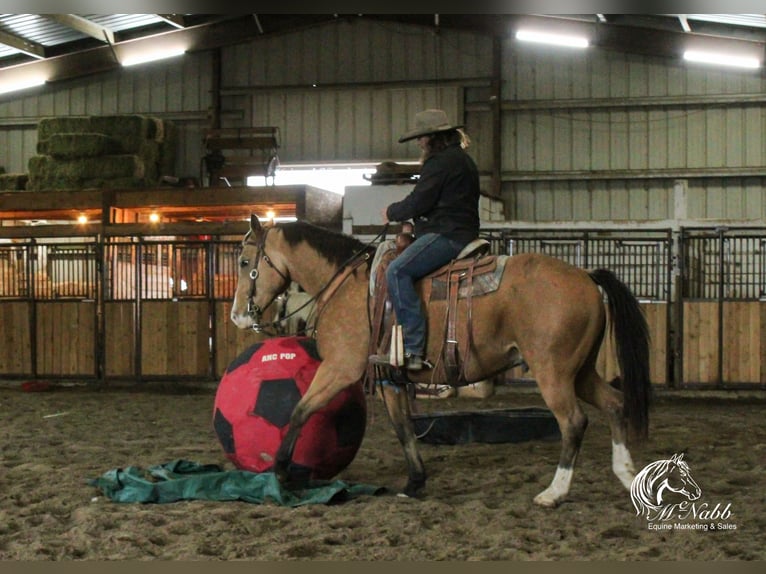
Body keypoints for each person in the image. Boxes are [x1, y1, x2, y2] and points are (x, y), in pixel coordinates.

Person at [369, 109, 480, 371]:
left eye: (421, 138)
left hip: (447, 234)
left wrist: (392, 212)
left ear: (433, 137)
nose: (419, 143)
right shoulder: (463, 160)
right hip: (462, 230)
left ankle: (413, 349)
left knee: (397, 271)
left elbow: (421, 199)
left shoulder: (439, 162)